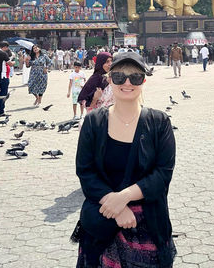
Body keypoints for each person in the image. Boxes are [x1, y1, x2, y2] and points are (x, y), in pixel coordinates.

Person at [74, 50, 177, 267]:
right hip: (104, 219)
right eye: (120, 76)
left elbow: (162, 173)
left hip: (148, 223)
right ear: (109, 80)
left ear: (144, 80)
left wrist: (124, 197)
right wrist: (117, 206)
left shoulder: (159, 122)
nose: (127, 82)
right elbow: (85, 171)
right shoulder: (93, 122)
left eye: (135, 77)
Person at [0, 41, 13, 115]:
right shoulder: (3, 53)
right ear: (4, 47)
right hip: (3, 74)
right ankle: (1, 110)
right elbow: (9, 63)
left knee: (2, 91)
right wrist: (13, 62)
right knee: (4, 93)